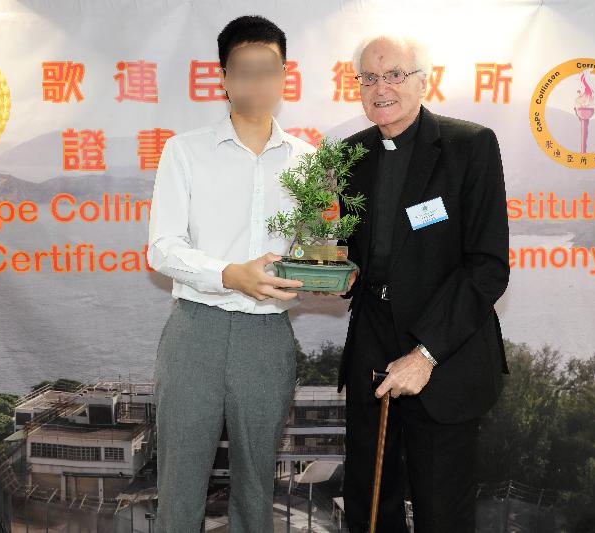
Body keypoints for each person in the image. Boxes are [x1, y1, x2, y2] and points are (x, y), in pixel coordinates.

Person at [147, 15, 321, 533]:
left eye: (267, 68)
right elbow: (162, 248)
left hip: (267, 337)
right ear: (222, 76)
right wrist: (230, 274)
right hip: (195, 331)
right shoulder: (184, 151)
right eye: (242, 69)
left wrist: (325, 273)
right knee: (178, 486)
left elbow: (312, 251)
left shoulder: (309, 162)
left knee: (255, 488)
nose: (256, 81)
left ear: (284, 74)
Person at [336, 34, 511, 532]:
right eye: (369, 77)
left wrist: (425, 354)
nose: (380, 88)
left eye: (394, 74)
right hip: (373, 348)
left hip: (445, 355)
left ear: (422, 80)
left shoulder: (469, 146)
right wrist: (336, 275)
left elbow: (488, 266)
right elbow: (360, 258)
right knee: (370, 506)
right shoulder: (351, 156)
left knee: (442, 513)